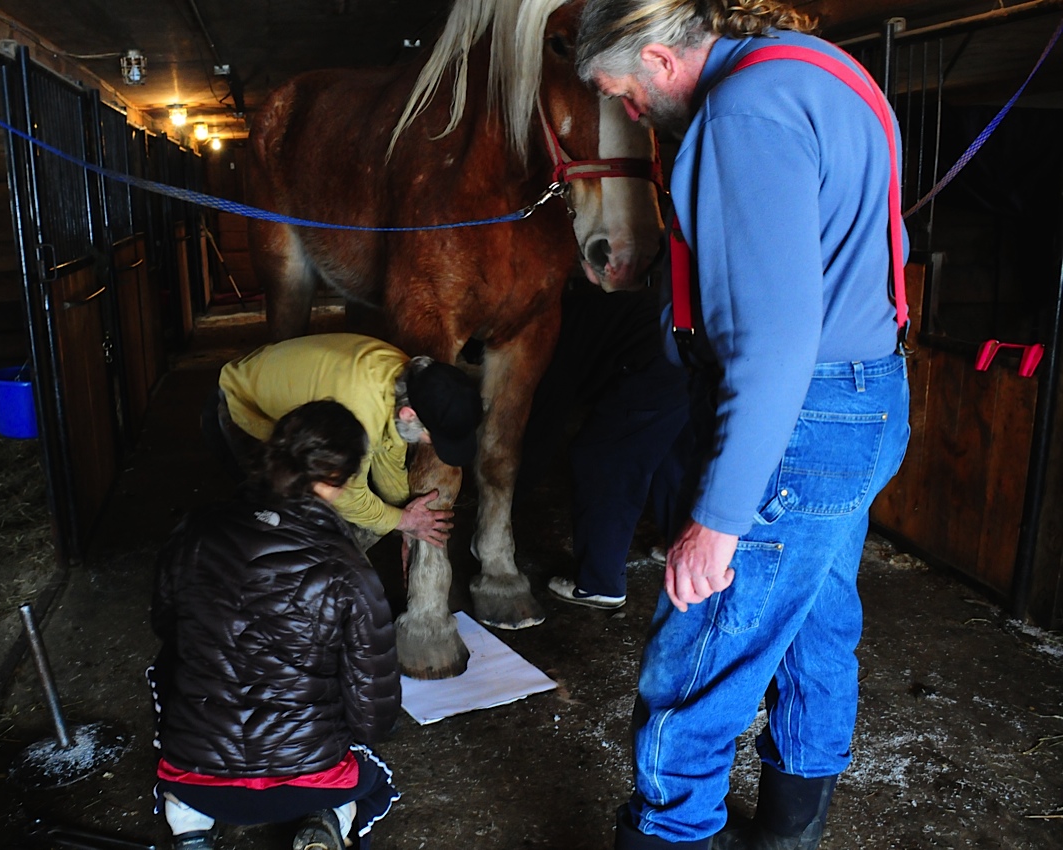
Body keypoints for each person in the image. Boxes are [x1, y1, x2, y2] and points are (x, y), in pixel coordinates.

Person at [575, 1, 912, 848]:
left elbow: (775, 340)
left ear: (658, 59)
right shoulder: (817, 68)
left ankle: (673, 834)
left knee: (701, 653)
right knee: (816, 621)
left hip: (799, 417)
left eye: (623, 94)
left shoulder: (742, 116)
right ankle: (789, 833)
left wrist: (718, 523)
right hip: (866, 396)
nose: (628, 113)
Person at [150, 400, 402, 850]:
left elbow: (166, 627)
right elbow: (372, 717)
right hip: (309, 781)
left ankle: (188, 828)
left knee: (168, 668)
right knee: (370, 774)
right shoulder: (348, 569)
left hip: (197, 778)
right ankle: (329, 821)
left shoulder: (194, 533)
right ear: (338, 481)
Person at [205, 333, 482, 551]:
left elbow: (389, 456)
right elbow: (347, 497)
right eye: (431, 438)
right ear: (410, 415)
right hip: (239, 405)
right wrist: (404, 521)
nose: (429, 444)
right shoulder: (359, 414)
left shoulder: (407, 379)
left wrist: (407, 514)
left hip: (277, 383)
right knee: (279, 520)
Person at [516, 280, 692, 610]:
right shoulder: (579, 306)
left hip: (654, 360)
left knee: (604, 459)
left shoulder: (547, 336)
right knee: (671, 452)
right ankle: (677, 542)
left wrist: (506, 496)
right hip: (692, 348)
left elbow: (542, 427)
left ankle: (599, 583)